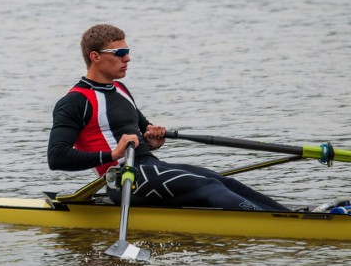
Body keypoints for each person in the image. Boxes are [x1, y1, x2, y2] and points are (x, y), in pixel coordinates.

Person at [47, 24, 289, 211]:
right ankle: (282, 226)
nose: (127, 58)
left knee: (221, 180)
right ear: (95, 56)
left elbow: (143, 131)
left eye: (127, 52)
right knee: (209, 186)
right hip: (122, 180)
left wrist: (152, 138)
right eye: (120, 53)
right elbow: (57, 157)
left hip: (149, 166)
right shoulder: (74, 101)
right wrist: (113, 154)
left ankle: (290, 214)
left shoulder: (120, 89)